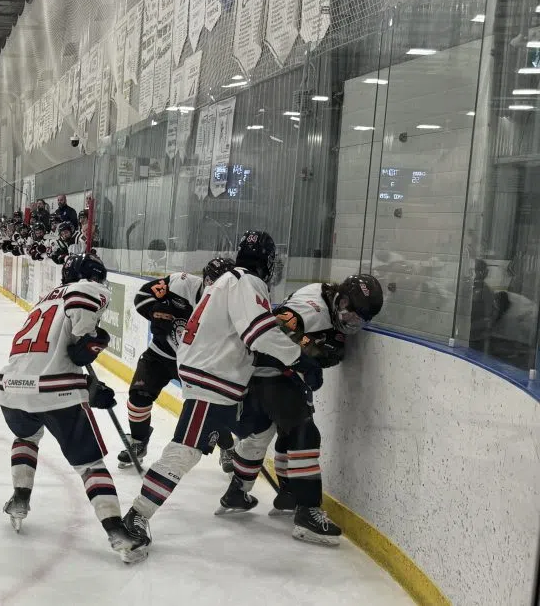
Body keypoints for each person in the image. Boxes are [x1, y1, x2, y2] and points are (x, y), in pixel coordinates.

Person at [120, 230, 321, 557]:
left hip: (220, 378)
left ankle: (237, 493)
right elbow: (259, 333)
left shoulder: (228, 280)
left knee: (260, 427)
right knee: (185, 451)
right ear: (269, 261)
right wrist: (299, 358)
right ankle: (136, 516)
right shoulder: (247, 281)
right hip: (212, 378)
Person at [0, 253, 147, 563]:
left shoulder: (45, 300)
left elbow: (59, 351)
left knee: (27, 437)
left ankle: (19, 499)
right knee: (90, 465)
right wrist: (93, 345)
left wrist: (88, 384)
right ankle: (118, 533)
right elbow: (80, 349)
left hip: (11, 387)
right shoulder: (87, 289)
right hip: (55, 391)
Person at [222, 274, 383, 546]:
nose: (350, 322)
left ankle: (241, 492)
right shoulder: (314, 309)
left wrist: (313, 351)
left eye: (358, 320)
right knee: (304, 433)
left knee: (265, 434)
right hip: (272, 374)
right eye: (350, 314)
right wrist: (309, 355)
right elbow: (276, 324)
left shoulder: (323, 293)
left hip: (261, 373)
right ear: (341, 299)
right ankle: (307, 510)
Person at [117, 257, 235, 469]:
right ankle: (138, 441)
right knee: (138, 397)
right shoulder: (179, 283)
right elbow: (143, 296)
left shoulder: (231, 308)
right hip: (160, 354)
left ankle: (227, 446)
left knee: (208, 409)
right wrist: (155, 312)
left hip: (197, 365)